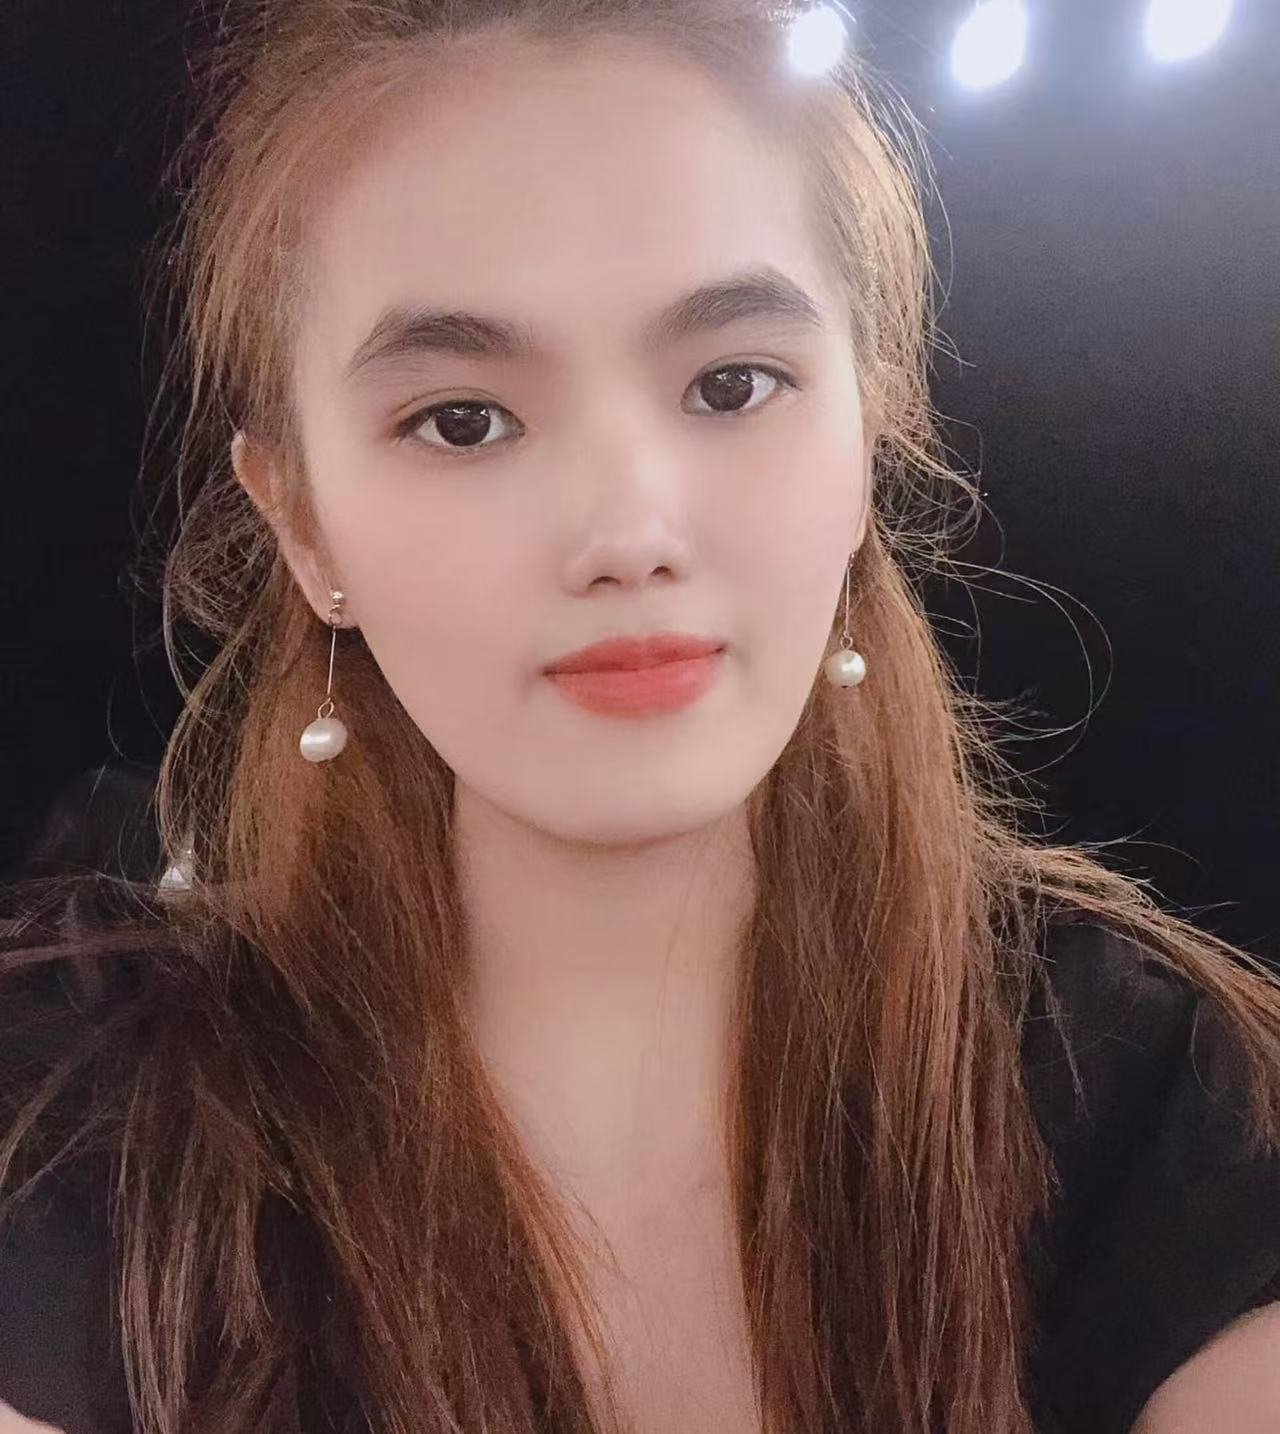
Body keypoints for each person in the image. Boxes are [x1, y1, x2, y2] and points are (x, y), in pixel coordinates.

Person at [2, 1, 1279, 1431]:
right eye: (463, 419)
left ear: (870, 435)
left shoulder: (1162, 1102)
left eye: (733, 385)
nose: (628, 532)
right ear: (302, 524)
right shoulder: (76, 1139)